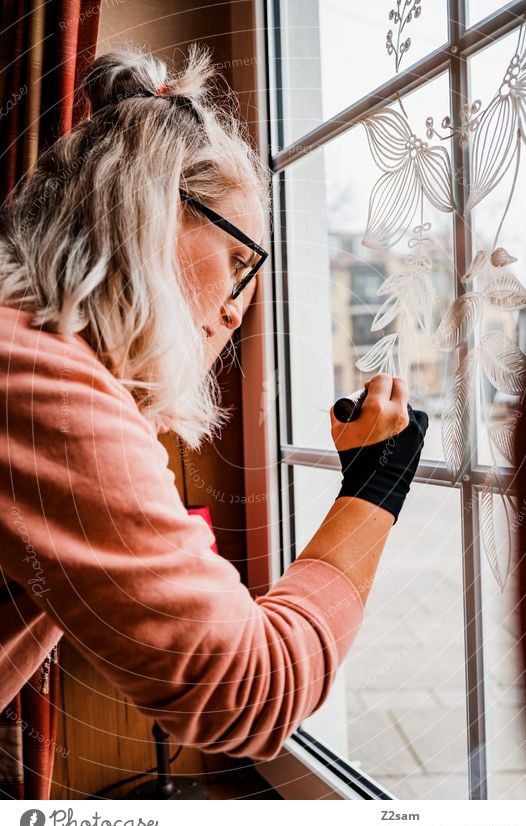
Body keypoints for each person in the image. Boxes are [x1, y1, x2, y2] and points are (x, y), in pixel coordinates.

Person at [0, 45, 428, 762]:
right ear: (149, 206)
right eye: (238, 263)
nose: (237, 313)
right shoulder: (41, 379)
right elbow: (249, 692)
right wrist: (375, 485)